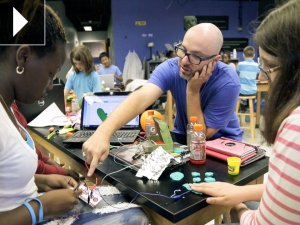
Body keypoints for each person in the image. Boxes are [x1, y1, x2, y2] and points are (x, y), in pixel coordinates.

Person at [0, 1, 148, 224]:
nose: (51, 85)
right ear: (23, 57)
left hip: (37, 203)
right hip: (35, 215)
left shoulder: (8, 108)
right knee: (136, 218)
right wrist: (40, 208)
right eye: (51, 74)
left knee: (123, 198)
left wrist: (42, 181)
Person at [83, 23, 242, 176]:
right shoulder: (172, 67)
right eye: (183, 50)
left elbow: (201, 136)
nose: (184, 61)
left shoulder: (228, 82)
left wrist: (192, 91)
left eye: (196, 57)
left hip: (222, 148)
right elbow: (141, 96)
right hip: (183, 139)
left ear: (215, 60)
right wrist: (103, 132)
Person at [190, 0, 300, 224]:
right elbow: (289, 186)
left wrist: (238, 207)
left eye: (268, 67)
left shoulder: (296, 128)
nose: (262, 78)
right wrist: (241, 192)